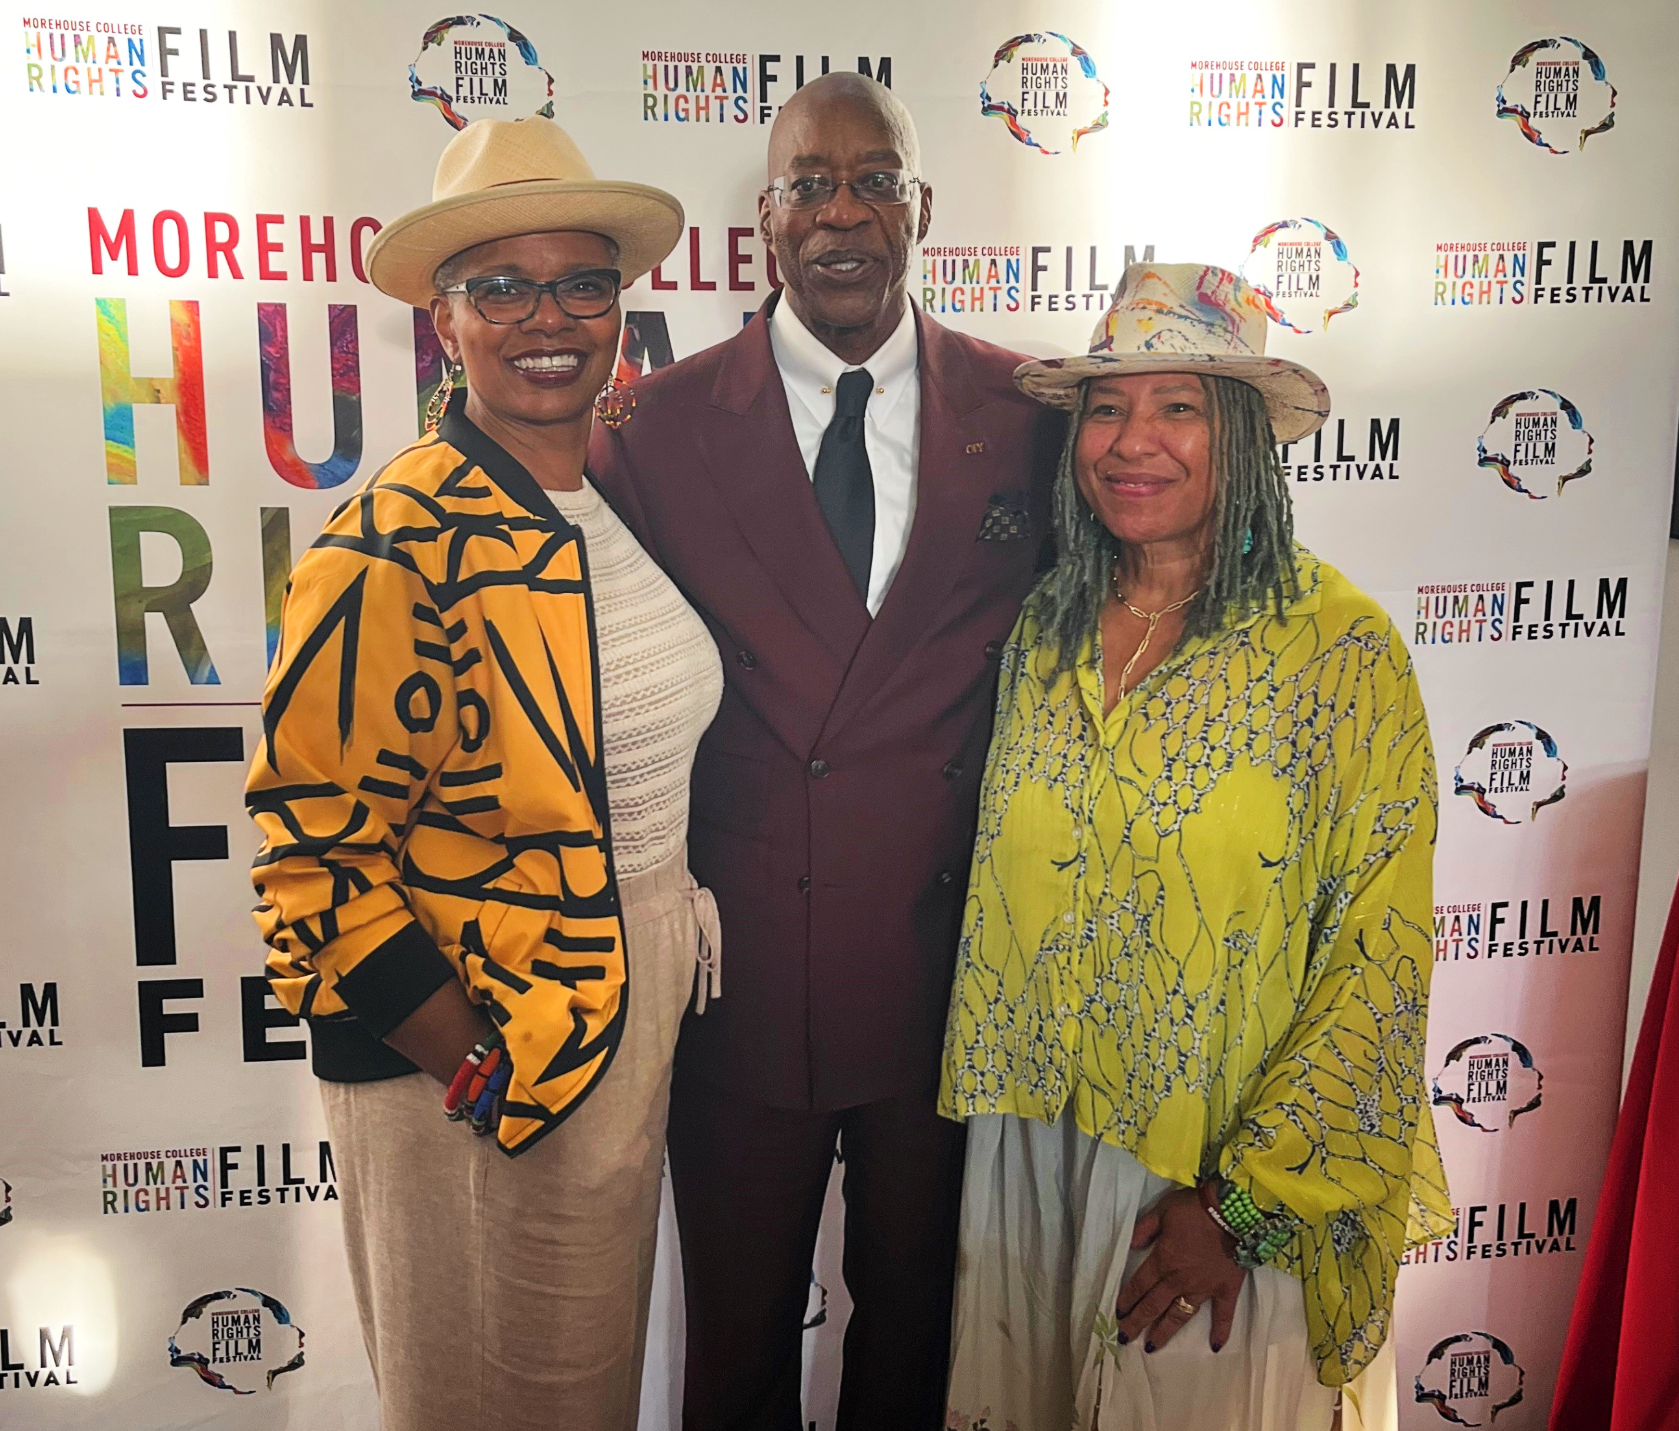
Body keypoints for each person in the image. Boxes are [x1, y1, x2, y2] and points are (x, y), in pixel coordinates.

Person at [589, 72, 1063, 1430]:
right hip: (739, 983)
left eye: (873, 180)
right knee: (733, 1341)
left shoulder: (1027, 413)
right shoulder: (660, 425)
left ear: (923, 207)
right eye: (811, 184)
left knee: (917, 1329)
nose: (842, 212)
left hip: (946, 980)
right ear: (766, 218)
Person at [244, 116, 723, 1431]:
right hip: (473, 1054)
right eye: (499, 286)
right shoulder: (396, 537)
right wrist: (475, 1065)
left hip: (605, 1029)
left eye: (581, 281)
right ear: (444, 322)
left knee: (578, 1393)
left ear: (620, 309)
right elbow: (307, 858)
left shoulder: (593, 503)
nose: (546, 315)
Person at [938, 262, 1456, 1431]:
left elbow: (1379, 962)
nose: (1134, 441)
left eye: (1179, 407)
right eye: (1109, 407)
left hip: (1218, 1189)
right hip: (1033, 1157)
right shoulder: (1043, 628)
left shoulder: (1341, 653)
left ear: (1243, 438)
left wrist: (1244, 1210)